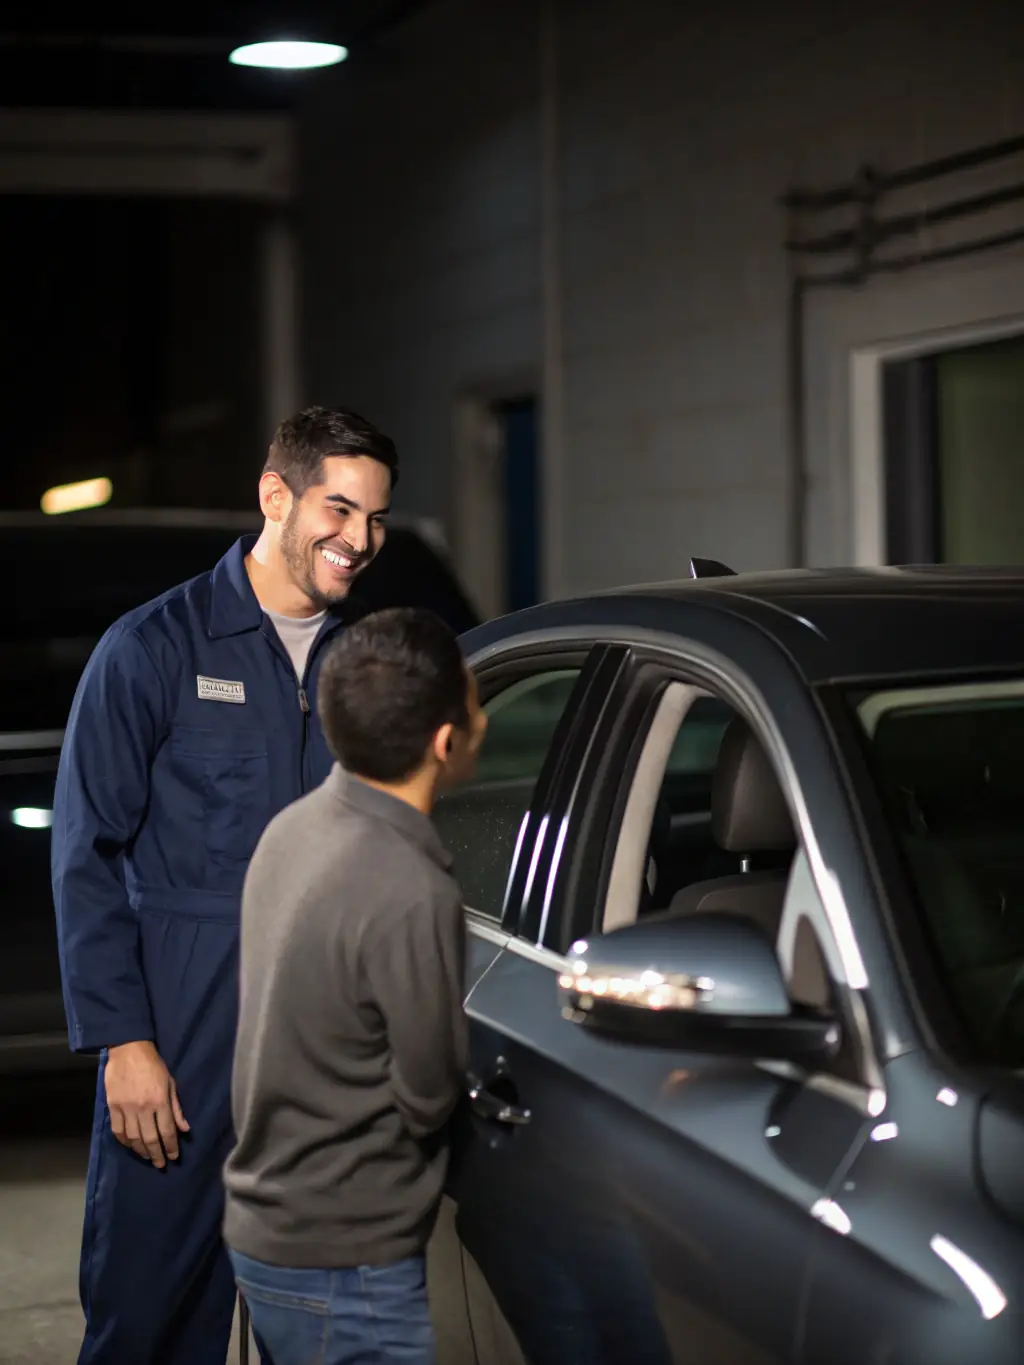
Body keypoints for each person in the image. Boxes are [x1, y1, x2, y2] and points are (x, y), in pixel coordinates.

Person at [51, 405, 399, 1365]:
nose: (359, 538)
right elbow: (86, 854)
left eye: (375, 517)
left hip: (321, 1060)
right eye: (339, 508)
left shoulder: (369, 667)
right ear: (275, 495)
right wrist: (124, 1041)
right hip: (182, 1041)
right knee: (150, 1323)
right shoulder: (154, 648)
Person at [223, 607, 486, 1365]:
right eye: (476, 705)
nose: (485, 719)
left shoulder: (294, 827)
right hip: (346, 1263)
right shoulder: (408, 886)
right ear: (445, 742)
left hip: (269, 1230)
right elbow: (428, 1091)